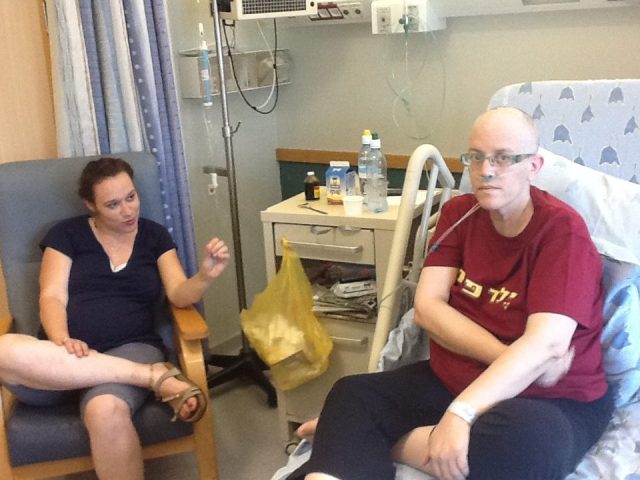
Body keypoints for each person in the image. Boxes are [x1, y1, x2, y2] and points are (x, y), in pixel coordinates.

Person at [288, 107, 614, 480]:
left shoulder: (561, 232)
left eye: (503, 158)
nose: (486, 170)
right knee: (351, 395)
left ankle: (373, 439)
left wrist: (460, 414)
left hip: (550, 399)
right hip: (456, 380)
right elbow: (428, 308)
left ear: (533, 166)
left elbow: (547, 346)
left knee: (528, 442)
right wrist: (471, 398)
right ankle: (362, 437)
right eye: (476, 157)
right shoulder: (460, 213)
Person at [0, 157, 230, 480]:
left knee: (105, 410)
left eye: (131, 197)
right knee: (3, 350)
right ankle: (151, 376)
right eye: (113, 204)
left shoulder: (154, 236)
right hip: (62, 359)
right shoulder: (66, 235)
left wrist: (204, 277)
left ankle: (142, 372)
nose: (128, 210)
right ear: (90, 205)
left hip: (131, 347)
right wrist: (61, 340)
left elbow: (179, 294)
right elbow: (52, 296)